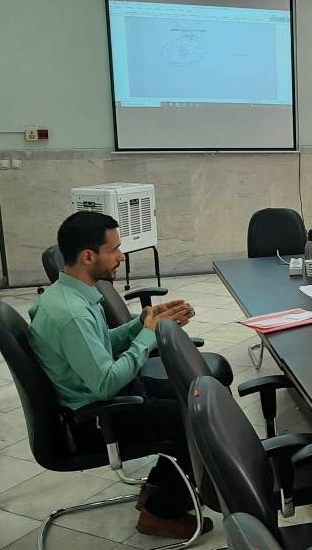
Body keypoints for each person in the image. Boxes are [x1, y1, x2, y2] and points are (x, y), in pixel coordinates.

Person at [28, 211, 212, 538]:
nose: (121, 256)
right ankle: (159, 514)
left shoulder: (72, 294)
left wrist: (140, 323)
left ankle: (158, 489)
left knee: (197, 393)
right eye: (114, 249)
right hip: (99, 417)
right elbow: (105, 384)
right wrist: (147, 336)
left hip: (112, 396)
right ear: (88, 256)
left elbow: (101, 345)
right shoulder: (71, 314)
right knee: (196, 417)